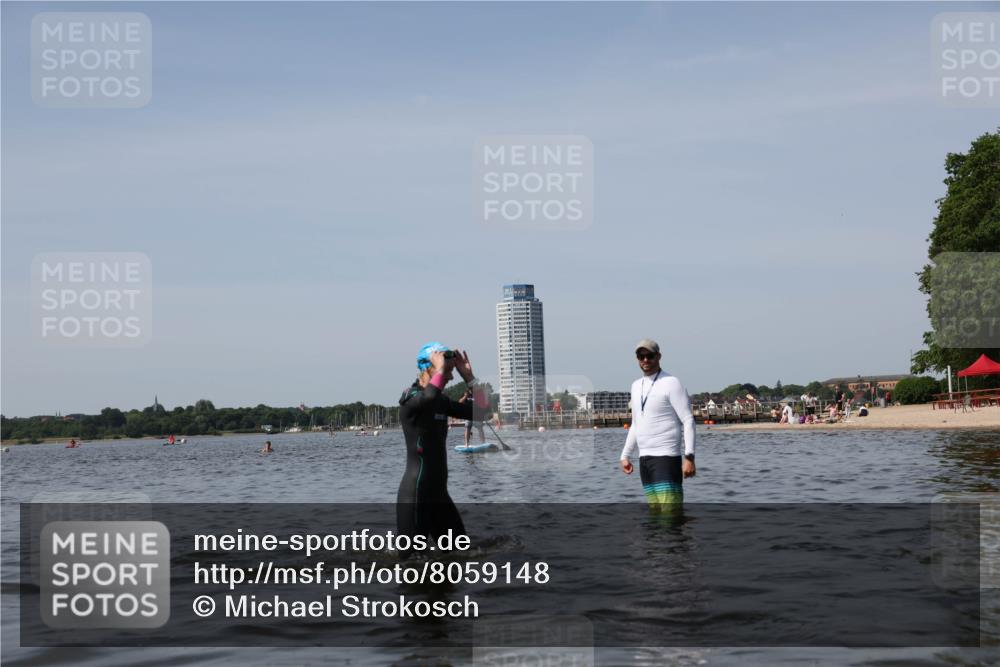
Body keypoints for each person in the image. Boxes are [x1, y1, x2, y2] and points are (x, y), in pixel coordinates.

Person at [397, 343, 488, 557]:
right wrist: (440, 370)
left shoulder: (442, 402)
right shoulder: (411, 399)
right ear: (429, 369)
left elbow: (484, 412)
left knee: (461, 554)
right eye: (447, 372)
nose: (451, 378)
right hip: (416, 494)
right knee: (411, 561)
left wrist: (470, 378)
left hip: (438, 494)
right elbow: (427, 397)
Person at [620, 339, 696, 508]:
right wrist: (625, 455)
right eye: (641, 356)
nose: (645, 360)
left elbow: (688, 420)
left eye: (649, 356)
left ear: (658, 356)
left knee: (670, 516)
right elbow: (636, 424)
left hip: (666, 458)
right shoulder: (635, 386)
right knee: (654, 517)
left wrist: (689, 457)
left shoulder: (671, 382)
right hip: (645, 460)